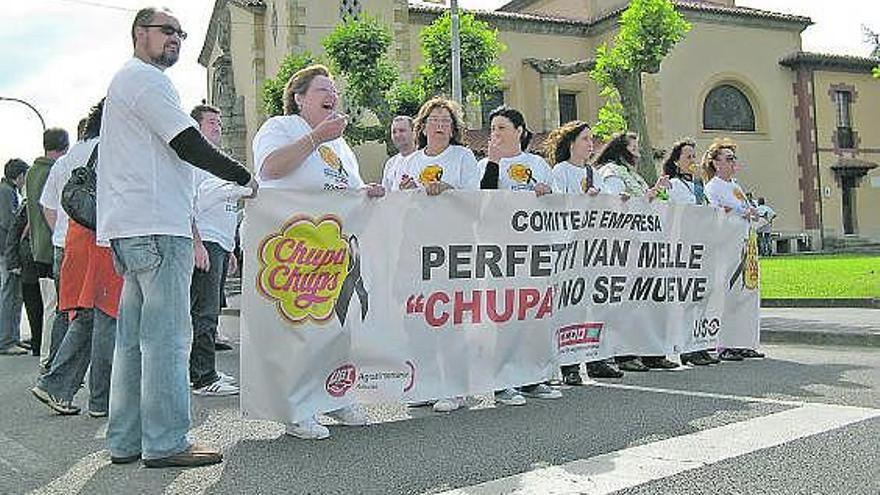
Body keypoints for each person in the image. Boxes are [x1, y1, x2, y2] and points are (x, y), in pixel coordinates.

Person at [98, 7, 257, 469]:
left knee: (132, 341)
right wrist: (243, 175)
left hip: (131, 228)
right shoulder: (146, 79)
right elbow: (186, 141)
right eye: (167, 31)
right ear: (139, 33)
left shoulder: (125, 81)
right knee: (168, 338)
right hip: (157, 226)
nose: (176, 39)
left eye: (181, 34)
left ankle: (125, 440)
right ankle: (167, 441)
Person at [252, 64, 381, 439]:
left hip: (333, 252)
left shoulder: (341, 146)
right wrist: (315, 138)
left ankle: (333, 397)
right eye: (323, 89)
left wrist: (367, 191)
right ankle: (294, 410)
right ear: (299, 98)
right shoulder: (280, 127)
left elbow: (349, 191)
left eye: (335, 91)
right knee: (296, 331)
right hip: (291, 248)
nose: (332, 95)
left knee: (334, 329)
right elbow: (270, 169)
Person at [32, 99, 119, 418]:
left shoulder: (69, 157)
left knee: (83, 315)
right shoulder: (111, 149)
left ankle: (56, 384)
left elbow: (49, 204)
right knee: (107, 315)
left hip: (72, 243)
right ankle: (101, 399)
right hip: (102, 242)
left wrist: (61, 234)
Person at [478, 105, 561, 405]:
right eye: (493, 129)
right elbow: (484, 198)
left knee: (530, 317)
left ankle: (531, 378)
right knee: (503, 319)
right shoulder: (485, 164)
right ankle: (501, 383)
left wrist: (545, 191)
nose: (496, 134)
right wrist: (494, 163)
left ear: (519, 131)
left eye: (502, 128)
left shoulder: (537, 164)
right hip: (501, 253)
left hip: (533, 253)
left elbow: (557, 203)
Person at [401, 96, 479, 413]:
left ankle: (456, 386)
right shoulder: (411, 161)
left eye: (446, 121)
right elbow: (398, 203)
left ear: (454, 128)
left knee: (452, 317)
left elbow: (476, 198)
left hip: (454, 246)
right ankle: (428, 383)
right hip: (419, 247)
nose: (440, 125)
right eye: (434, 119)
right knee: (422, 318)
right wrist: (405, 191)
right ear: (423, 126)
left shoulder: (462, 157)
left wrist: (448, 189)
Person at [545, 121, 625, 382]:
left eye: (592, 140)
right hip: (570, 246)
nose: (590, 145)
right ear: (571, 143)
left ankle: (596, 358)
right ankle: (569, 366)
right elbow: (557, 202)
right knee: (570, 305)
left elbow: (610, 199)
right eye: (585, 139)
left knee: (594, 302)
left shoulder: (595, 173)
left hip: (593, 247)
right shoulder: (561, 171)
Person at [597, 132, 678, 372]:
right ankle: (625, 353)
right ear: (622, 149)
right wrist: (644, 196)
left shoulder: (634, 175)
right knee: (627, 302)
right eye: (633, 146)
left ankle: (652, 352)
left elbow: (644, 201)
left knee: (647, 300)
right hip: (624, 245)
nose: (638, 150)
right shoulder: (611, 172)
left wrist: (656, 190)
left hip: (645, 244)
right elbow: (616, 202)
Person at [189, 104, 247, 396]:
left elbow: (226, 209)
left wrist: (231, 250)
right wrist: (197, 243)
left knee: (212, 312)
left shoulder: (217, 162)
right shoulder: (193, 162)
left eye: (220, 122)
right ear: (197, 126)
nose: (218, 126)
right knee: (205, 311)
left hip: (221, 244)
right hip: (206, 242)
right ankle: (202, 377)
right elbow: (188, 205)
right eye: (212, 122)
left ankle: (205, 369)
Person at [702, 138, 765, 361]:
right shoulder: (712, 187)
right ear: (716, 163)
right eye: (728, 159)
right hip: (727, 248)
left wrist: (754, 212)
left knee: (747, 294)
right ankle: (725, 344)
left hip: (746, 244)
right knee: (729, 295)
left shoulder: (735, 187)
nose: (732, 162)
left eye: (733, 158)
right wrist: (735, 213)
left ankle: (745, 341)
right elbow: (714, 214)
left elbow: (744, 207)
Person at [662, 139, 720, 367]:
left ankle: (699, 344)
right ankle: (686, 348)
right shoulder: (674, 185)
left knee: (701, 297)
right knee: (687, 299)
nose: (693, 161)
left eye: (694, 157)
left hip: (701, 243)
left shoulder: (698, 185)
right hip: (684, 247)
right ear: (677, 161)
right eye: (688, 157)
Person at [26, 128, 69, 359]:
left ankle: (48, 356)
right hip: (51, 246)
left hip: (38, 247)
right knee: (55, 306)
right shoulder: (52, 171)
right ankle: (48, 357)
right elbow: (48, 209)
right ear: (64, 146)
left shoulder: (32, 171)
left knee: (50, 305)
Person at [0, 159, 29, 355]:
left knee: (14, 294)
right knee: (10, 294)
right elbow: (9, 222)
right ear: (19, 176)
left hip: (6, 250)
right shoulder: (6, 192)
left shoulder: (7, 191)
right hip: (5, 251)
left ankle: (13, 337)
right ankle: (6, 340)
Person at [381, 116, 416, 191]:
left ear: (414, 132)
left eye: (402, 130)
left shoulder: (423, 159)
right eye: (394, 132)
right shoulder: (390, 163)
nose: (397, 135)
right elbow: (385, 194)